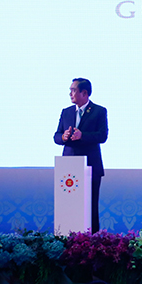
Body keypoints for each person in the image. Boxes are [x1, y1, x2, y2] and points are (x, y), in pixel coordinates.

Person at [53, 78, 109, 231]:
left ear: (84, 93)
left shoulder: (99, 111)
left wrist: (82, 135)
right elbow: (56, 136)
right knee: (68, 206)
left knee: (90, 206)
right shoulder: (66, 112)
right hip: (69, 168)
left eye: (73, 90)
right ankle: (66, 239)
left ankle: (94, 243)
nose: (70, 93)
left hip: (91, 166)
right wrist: (63, 137)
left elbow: (102, 136)